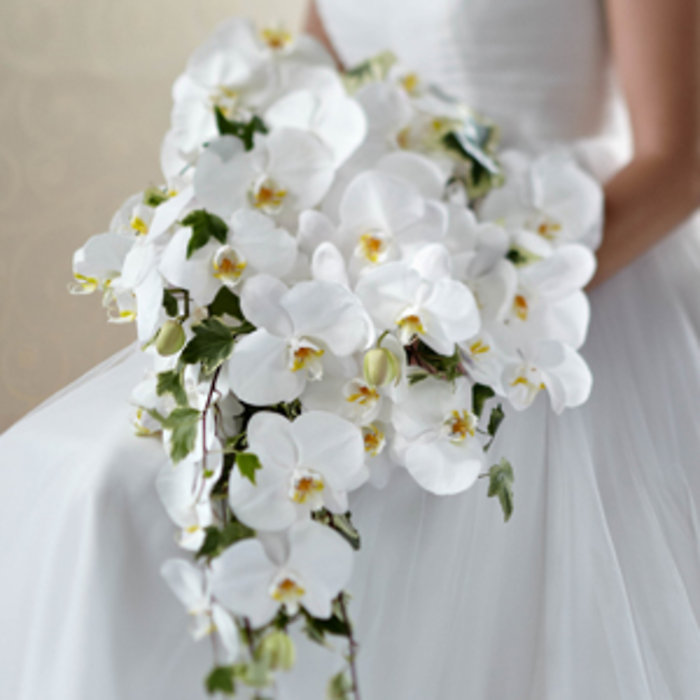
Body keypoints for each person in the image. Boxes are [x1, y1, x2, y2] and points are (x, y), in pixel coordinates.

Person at [0, 0, 698, 698]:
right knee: (82, 481)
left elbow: (682, 156)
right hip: (380, 270)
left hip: (556, 288)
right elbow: (321, 87)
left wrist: (485, 295)